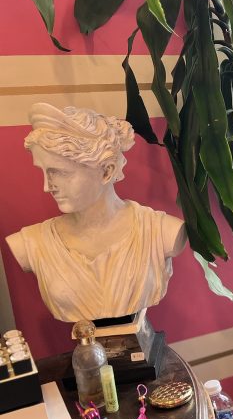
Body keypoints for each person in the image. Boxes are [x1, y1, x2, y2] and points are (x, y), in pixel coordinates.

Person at [5, 103, 187, 323]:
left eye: (59, 172)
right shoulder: (31, 243)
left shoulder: (162, 231)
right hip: (86, 351)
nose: (47, 186)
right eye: (43, 172)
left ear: (107, 171)